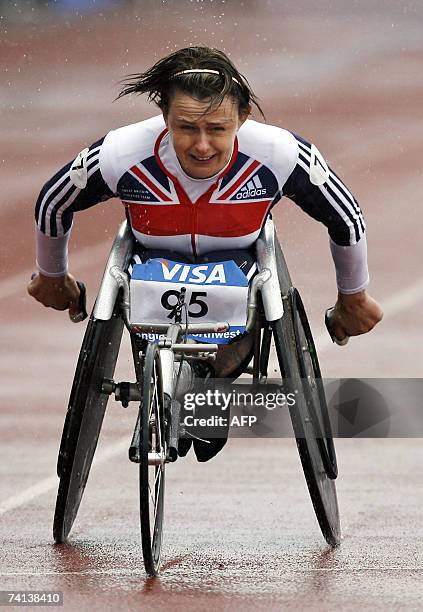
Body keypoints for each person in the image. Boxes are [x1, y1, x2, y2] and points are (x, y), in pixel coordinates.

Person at [27, 46, 383, 459]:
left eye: (217, 128)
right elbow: (54, 203)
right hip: (150, 267)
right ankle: (175, 389)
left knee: (245, 304)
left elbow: (345, 215)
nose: (201, 145)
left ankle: (206, 381)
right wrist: (53, 277)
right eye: (186, 128)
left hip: (239, 270)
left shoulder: (278, 153)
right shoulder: (122, 153)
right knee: (146, 306)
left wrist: (353, 297)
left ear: (243, 118)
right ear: (164, 118)